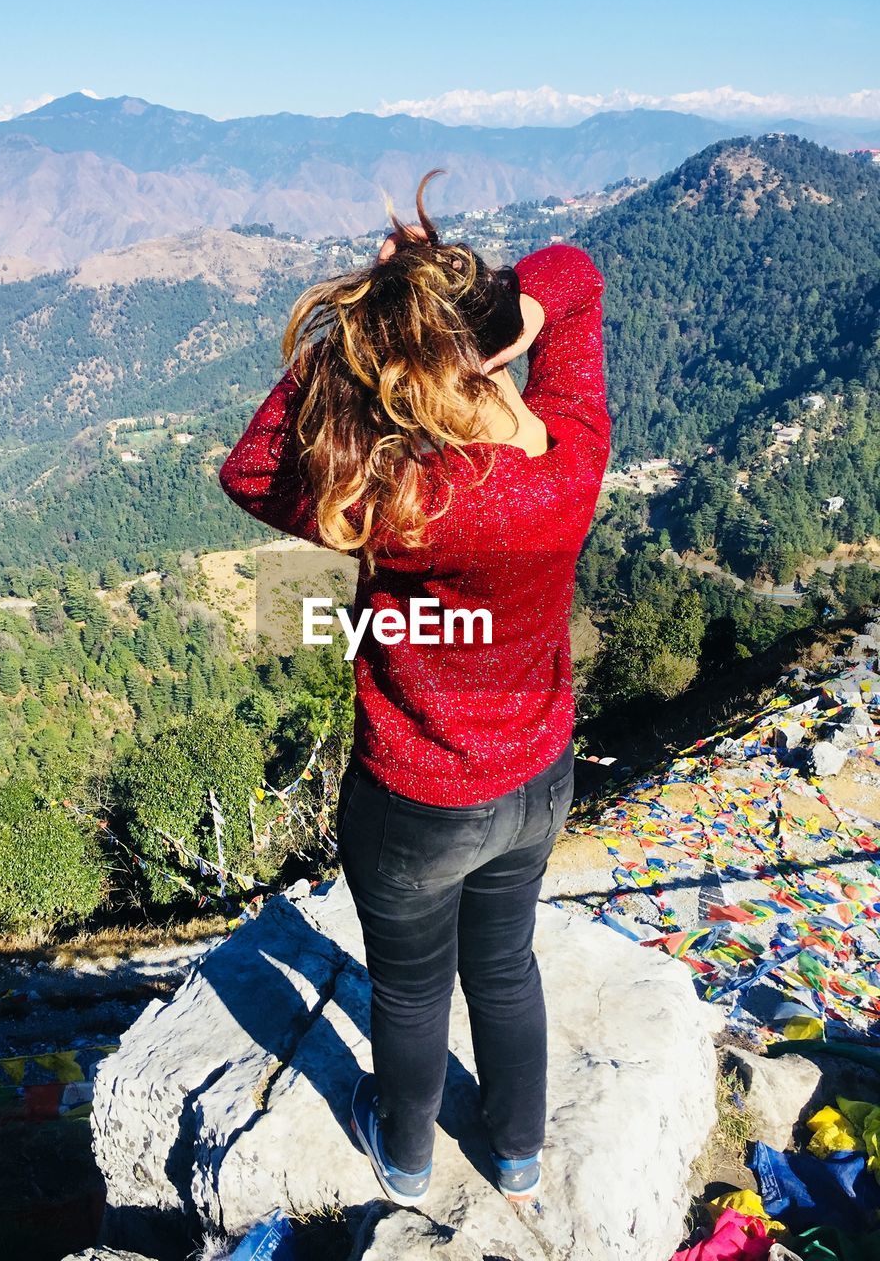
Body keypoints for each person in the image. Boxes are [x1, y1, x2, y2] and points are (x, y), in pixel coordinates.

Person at [219, 169, 610, 1207]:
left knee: (408, 989)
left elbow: (251, 465)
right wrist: (491, 311)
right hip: (537, 777)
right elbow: (577, 277)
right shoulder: (572, 461)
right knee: (507, 965)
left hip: (416, 796)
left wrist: (356, 323)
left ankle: (405, 1156)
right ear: (485, 363)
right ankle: (517, 1154)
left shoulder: (390, 499)